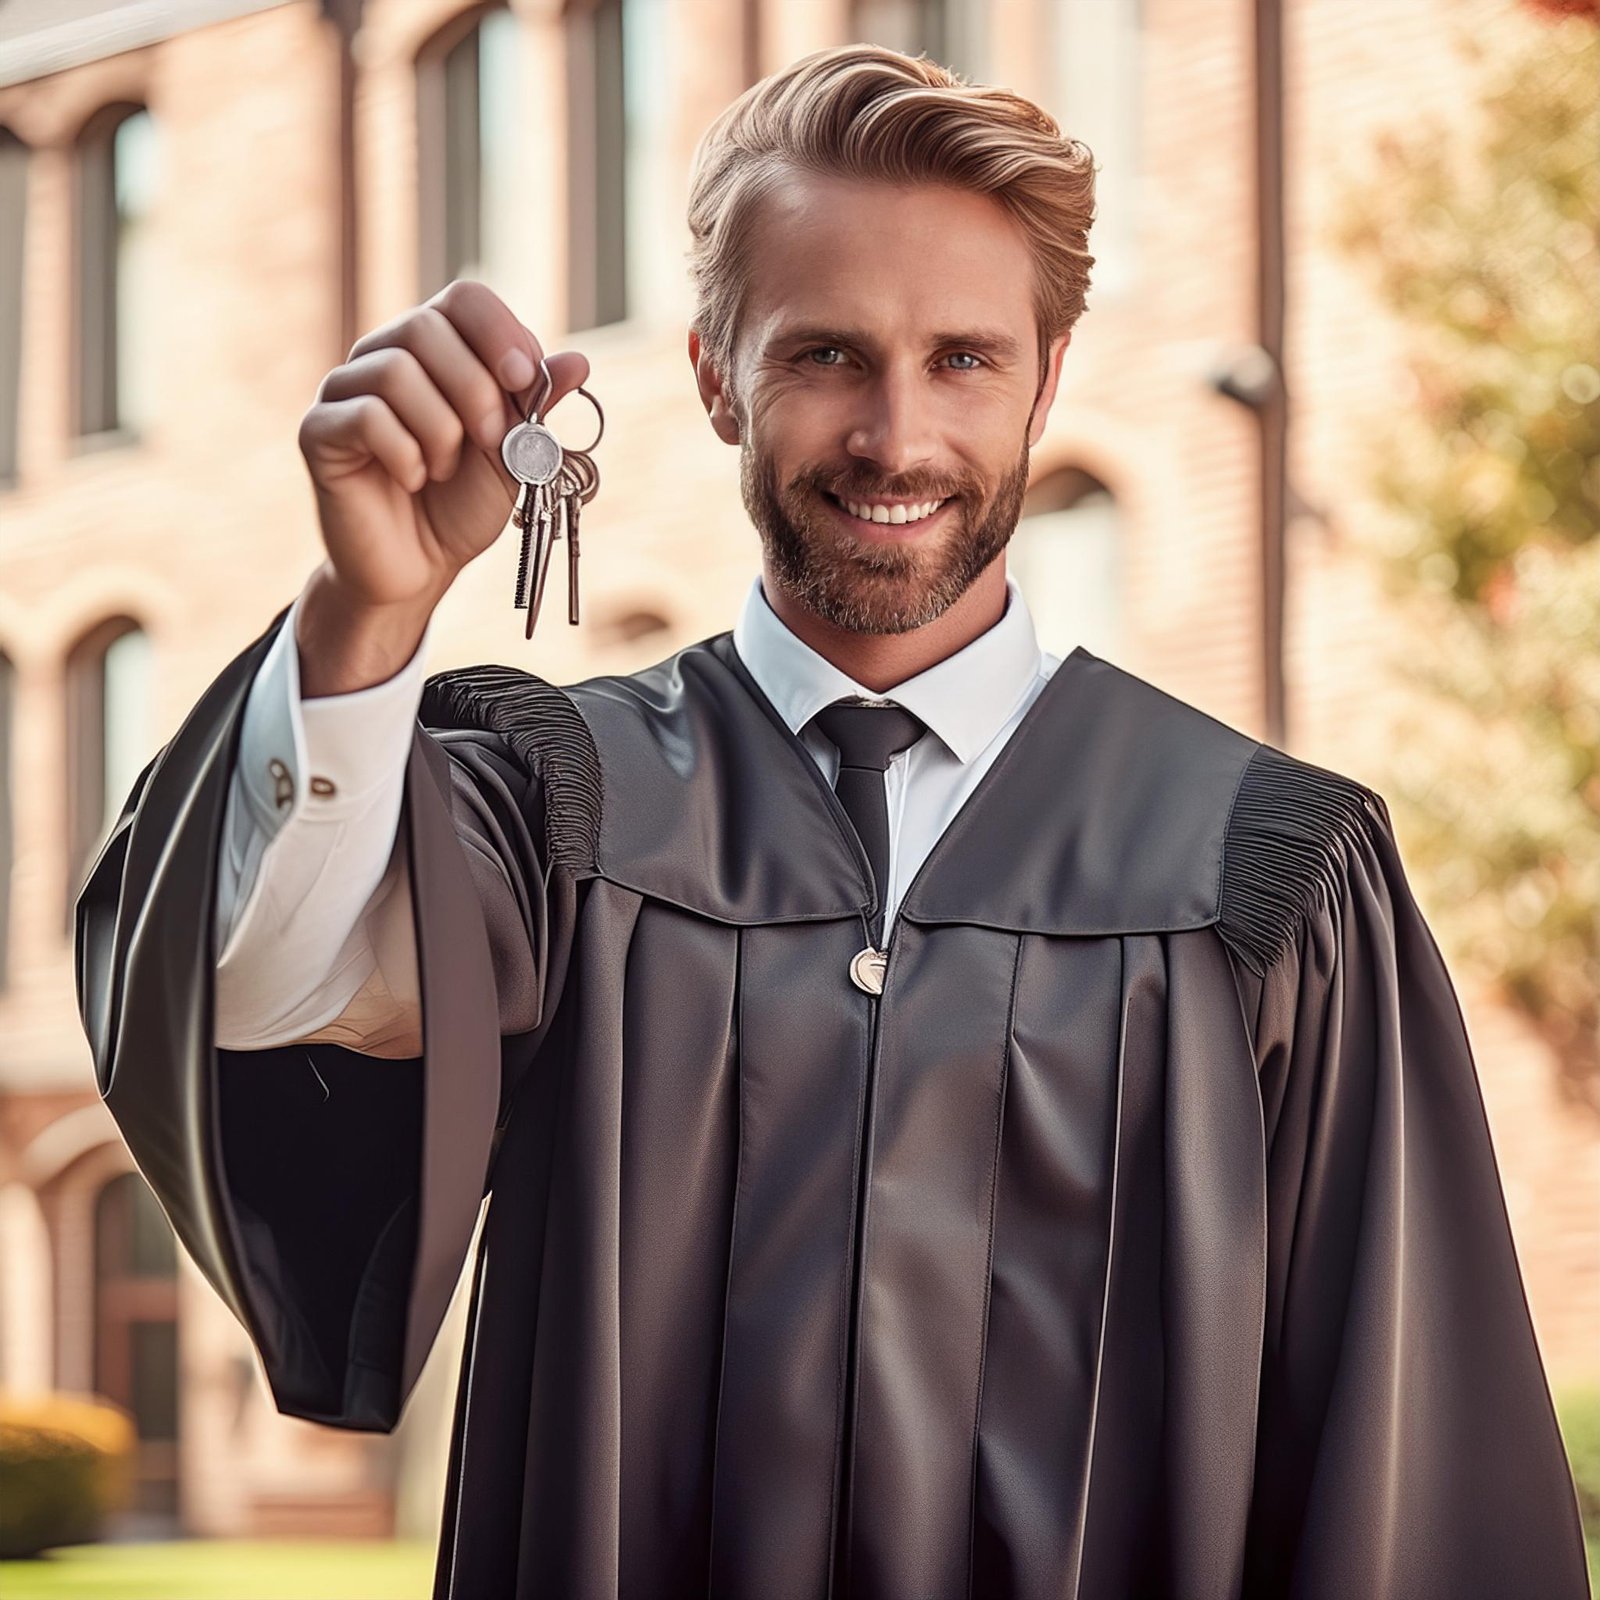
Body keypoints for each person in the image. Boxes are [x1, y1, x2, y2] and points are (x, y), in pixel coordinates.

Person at [73, 42, 1589, 1600]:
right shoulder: (558, 810)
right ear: (716, 373)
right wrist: (362, 615)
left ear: (1047, 378)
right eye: (826, 357)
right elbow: (257, 985)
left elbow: (1407, 1475)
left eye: (963, 360)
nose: (897, 439)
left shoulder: (1267, 876)